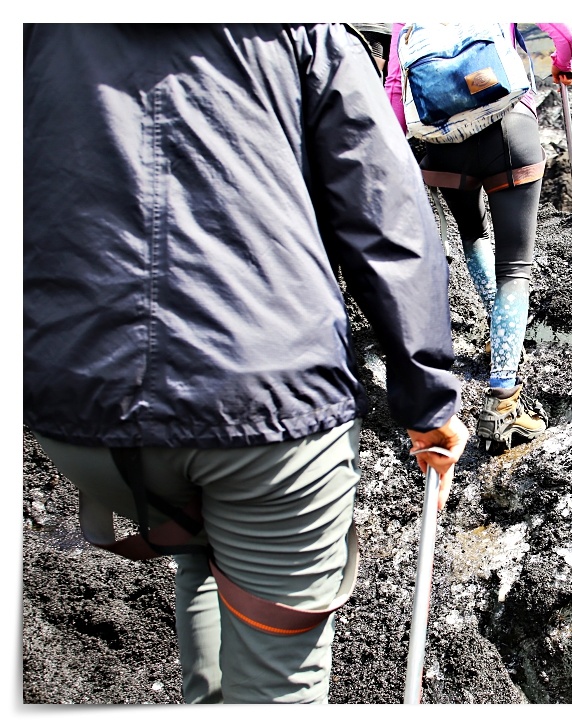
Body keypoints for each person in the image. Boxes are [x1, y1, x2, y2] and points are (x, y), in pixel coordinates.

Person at [23, 23, 468, 704]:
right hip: (270, 402)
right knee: (278, 685)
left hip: (83, 406)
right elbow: (388, 220)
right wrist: (429, 405)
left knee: (200, 548)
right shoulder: (303, 28)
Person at [384, 22, 572, 453]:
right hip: (509, 132)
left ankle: (499, 336)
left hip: (443, 146)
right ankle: (504, 400)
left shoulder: (405, 18)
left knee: (472, 234)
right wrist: (561, 65)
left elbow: (396, 88)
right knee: (516, 266)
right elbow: (561, 31)